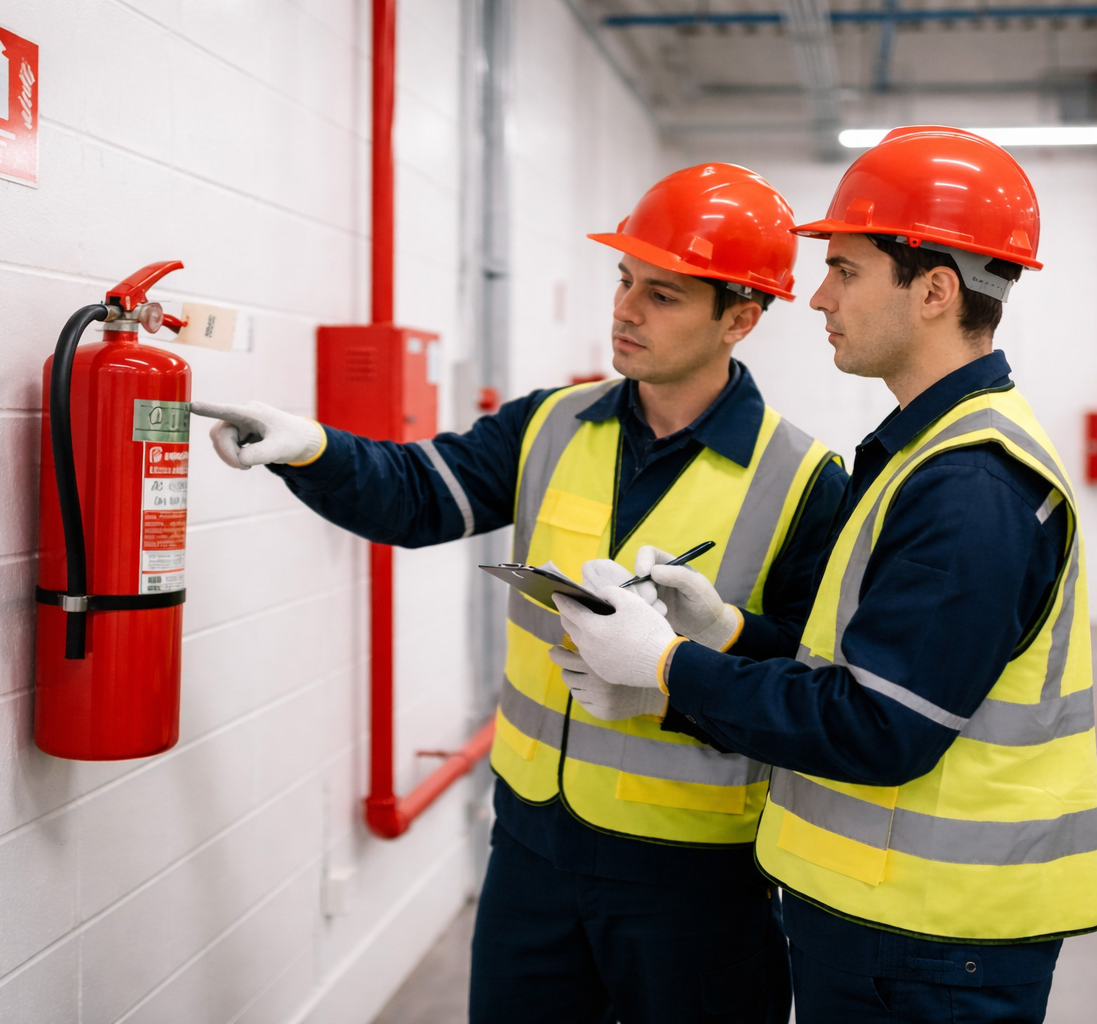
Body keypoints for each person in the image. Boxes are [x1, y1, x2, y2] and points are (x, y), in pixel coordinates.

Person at [192, 163, 848, 1024]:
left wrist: (712, 639)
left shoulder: (804, 479)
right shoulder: (550, 423)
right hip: (533, 847)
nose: (625, 309)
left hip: (694, 873)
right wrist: (312, 447)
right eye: (623, 281)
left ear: (741, 318)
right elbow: (418, 491)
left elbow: (808, 683)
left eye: (663, 294)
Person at [552, 127, 1097, 1024]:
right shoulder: (926, 451)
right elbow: (866, 677)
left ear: (933, 291)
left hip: (928, 947)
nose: (816, 297)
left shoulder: (970, 484)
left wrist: (662, 669)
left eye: (845, 269)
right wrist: (727, 633)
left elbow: (880, 729)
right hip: (889, 929)